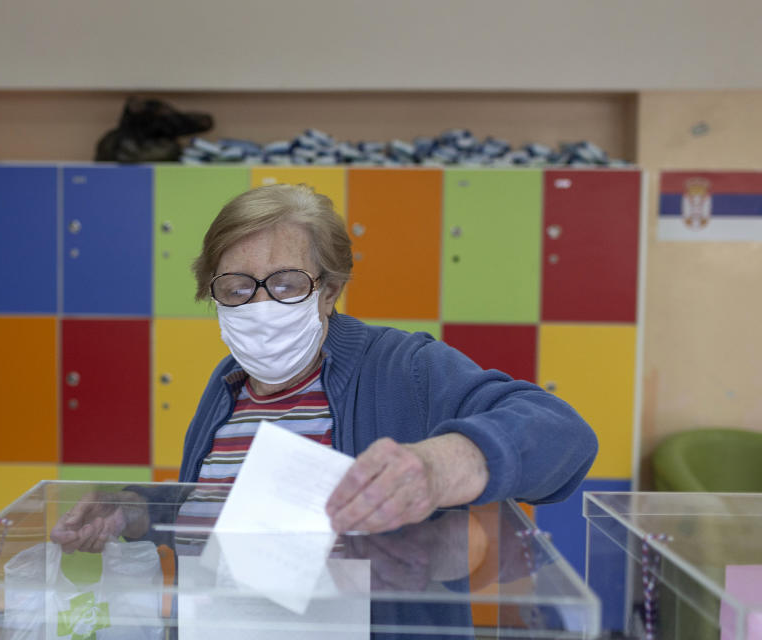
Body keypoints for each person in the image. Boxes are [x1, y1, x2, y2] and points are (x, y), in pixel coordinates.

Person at [51, 182, 598, 554]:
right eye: (237, 287)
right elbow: (221, 526)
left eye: (286, 283)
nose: (259, 305)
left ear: (330, 290)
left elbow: (564, 436)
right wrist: (132, 513)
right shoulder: (227, 389)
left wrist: (440, 466)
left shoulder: (402, 367)